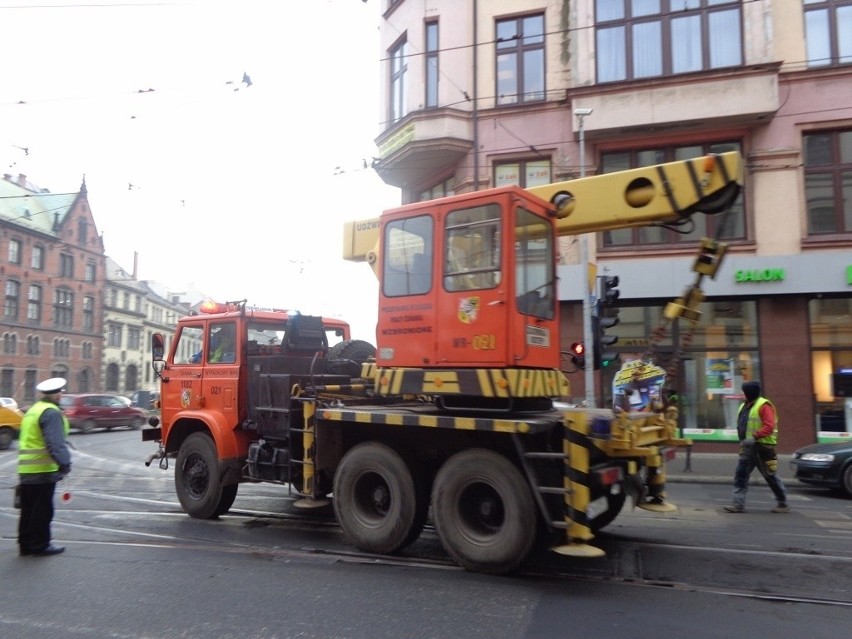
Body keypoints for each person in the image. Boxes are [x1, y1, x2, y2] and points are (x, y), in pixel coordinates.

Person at [17, 377, 72, 556]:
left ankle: (25, 544)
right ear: (56, 395)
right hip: (43, 469)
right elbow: (55, 443)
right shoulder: (51, 412)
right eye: (61, 392)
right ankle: (40, 545)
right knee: (42, 510)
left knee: (28, 510)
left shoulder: (33, 410)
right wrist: (65, 464)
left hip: (26, 469)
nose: (62, 395)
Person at [723, 380, 789, 513]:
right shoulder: (744, 406)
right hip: (747, 447)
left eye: (743, 391)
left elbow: (769, 426)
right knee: (741, 474)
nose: (742, 393)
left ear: (749, 392)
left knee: (770, 476)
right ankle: (738, 504)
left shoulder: (764, 406)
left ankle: (782, 503)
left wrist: (754, 436)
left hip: (763, 447)